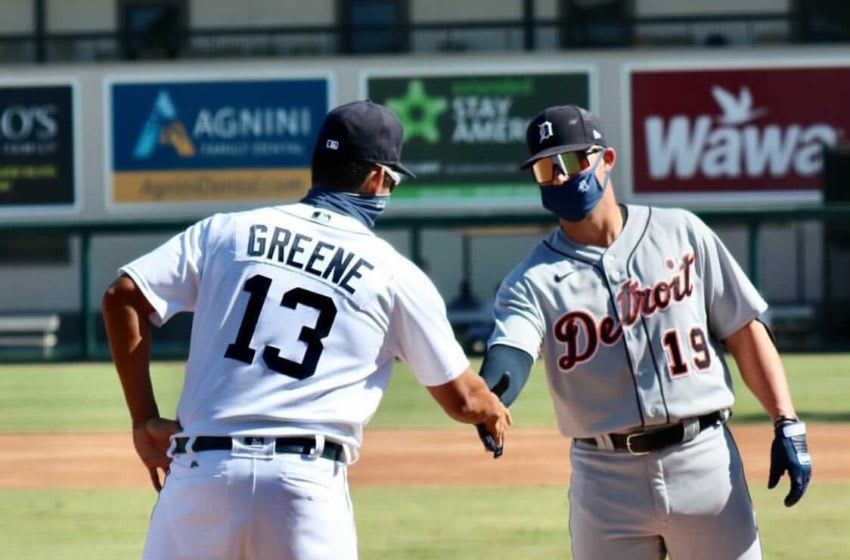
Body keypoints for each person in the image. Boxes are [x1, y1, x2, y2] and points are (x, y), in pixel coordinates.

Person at [102, 99, 511, 560]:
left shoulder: (227, 233)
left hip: (202, 473)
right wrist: (491, 409)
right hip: (304, 485)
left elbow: (122, 297)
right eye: (392, 180)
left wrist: (143, 419)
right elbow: (463, 400)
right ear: (377, 178)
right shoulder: (393, 273)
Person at [476, 104, 811, 559]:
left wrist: (785, 420)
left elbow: (743, 329)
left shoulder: (680, 232)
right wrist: (492, 395)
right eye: (544, 168)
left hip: (704, 461)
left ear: (606, 160)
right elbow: (510, 352)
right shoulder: (531, 280)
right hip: (604, 478)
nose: (558, 176)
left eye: (571, 161)